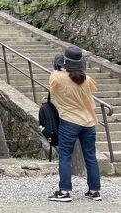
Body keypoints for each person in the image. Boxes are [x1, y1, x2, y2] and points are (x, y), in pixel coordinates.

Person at [47, 46, 101, 202]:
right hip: (89, 122)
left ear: (65, 62)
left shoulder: (57, 77)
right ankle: (94, 190)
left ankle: (64, 191)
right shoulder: (88, 80)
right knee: (90, 157)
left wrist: (58, 67)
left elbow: (53, 87)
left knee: (65, 156)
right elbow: (88, 87)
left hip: (69, 121)